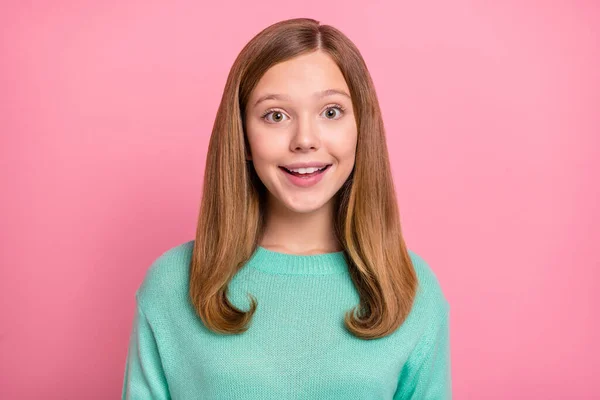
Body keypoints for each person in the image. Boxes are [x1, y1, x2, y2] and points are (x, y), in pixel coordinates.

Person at [121, 17, 451, 399]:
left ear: (361, 129)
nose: (305, 140)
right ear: (243, 136)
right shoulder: (172, 284)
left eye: (331, 112)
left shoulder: (411, 289)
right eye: (276, 115)